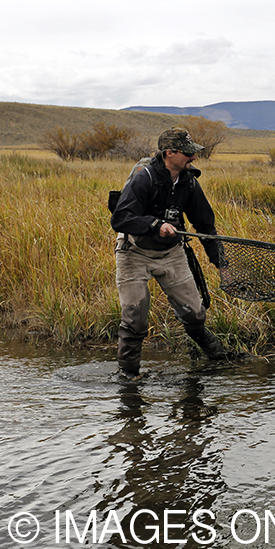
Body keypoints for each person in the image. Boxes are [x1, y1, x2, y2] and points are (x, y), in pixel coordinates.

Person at [110, 127, 232, 377]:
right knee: (135, 319)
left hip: (171, 253)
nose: (193, 158)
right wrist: (155, 225)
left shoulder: (189, 183)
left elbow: (206, 226)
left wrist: (222, 265)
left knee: (195, 313)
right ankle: (128, 376)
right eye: (188, 153)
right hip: (133, 252)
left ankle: (216, 355)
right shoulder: (144, 178)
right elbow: (120, 218)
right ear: (169, 153)